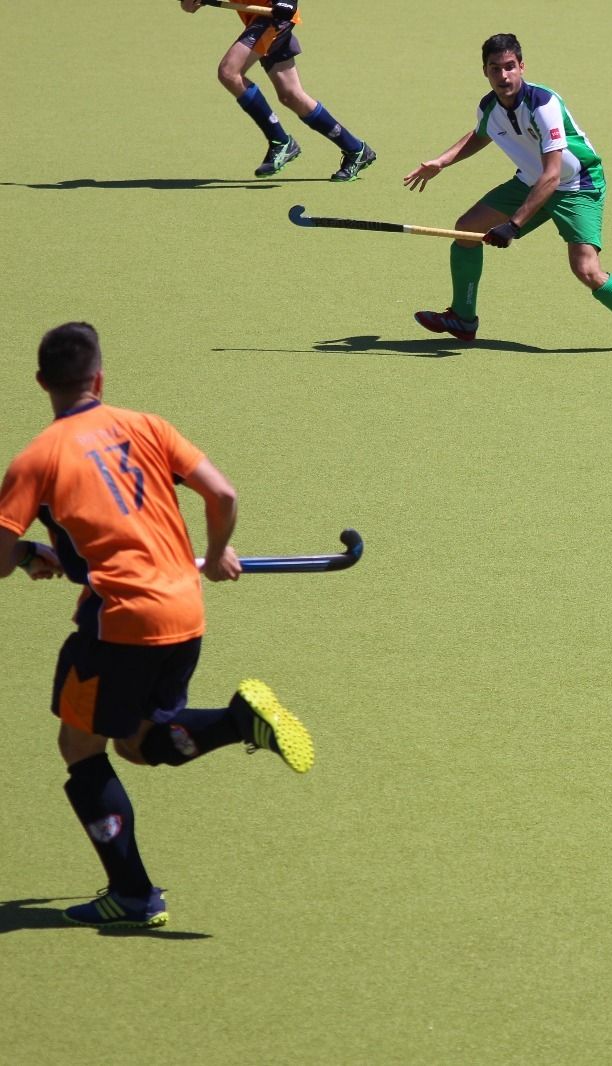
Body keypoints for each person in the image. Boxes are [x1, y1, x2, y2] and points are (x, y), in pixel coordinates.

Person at [0, 323, 315, 929]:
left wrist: (21, 556)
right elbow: (221, 493)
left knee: (79, 745)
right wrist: (219, 552)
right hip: (184, 612)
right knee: (138, 744)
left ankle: (134, 895)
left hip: (120, 622)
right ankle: (237, 721)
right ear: (99, 378)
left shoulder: (36, 459)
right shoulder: (147, 426)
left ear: (42, 383)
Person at [402, 33, 612, 354]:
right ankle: (463, 317)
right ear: (484, 71)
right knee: (467, 230)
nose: (503, 76)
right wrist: (442, 162)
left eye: (509, 67)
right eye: (494, 69)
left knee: (586, 269)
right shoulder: (490, 106)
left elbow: (553, 175)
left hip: (576, 186)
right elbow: (480, 133)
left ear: (522, 66)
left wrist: (513, 226)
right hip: (531, 180)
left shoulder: (542, 104)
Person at [179, 0, 377, 181]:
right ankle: (356, 150)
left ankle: (280, 141)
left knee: (229, 72)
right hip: (260, 18)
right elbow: (188, 5)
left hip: (274, 16)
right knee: (291, 95)